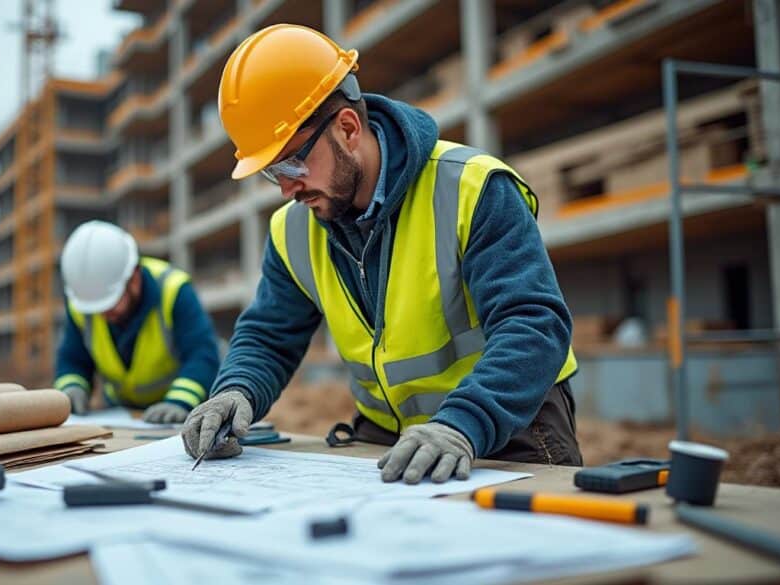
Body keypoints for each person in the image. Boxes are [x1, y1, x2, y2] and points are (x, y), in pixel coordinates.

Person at [182, 24, 581, 483]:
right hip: (391, 437)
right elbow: (270, 335)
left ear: (348, 129)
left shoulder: (471, 188)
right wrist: (236, 390)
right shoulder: (293, 230)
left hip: (509, 427)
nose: (288, 188)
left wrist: (461, 424)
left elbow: (534, 324)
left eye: (291, 163)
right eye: (273, 173)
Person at [55, 220, 219, 423]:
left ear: (133, 278)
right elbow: (72, 358)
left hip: (177, 415)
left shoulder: (173, 289)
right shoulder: (83, 305)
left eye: (111, 302)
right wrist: (71, 388)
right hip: (120, 414)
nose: (103, 313)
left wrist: (180, 401)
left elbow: (203, 355)